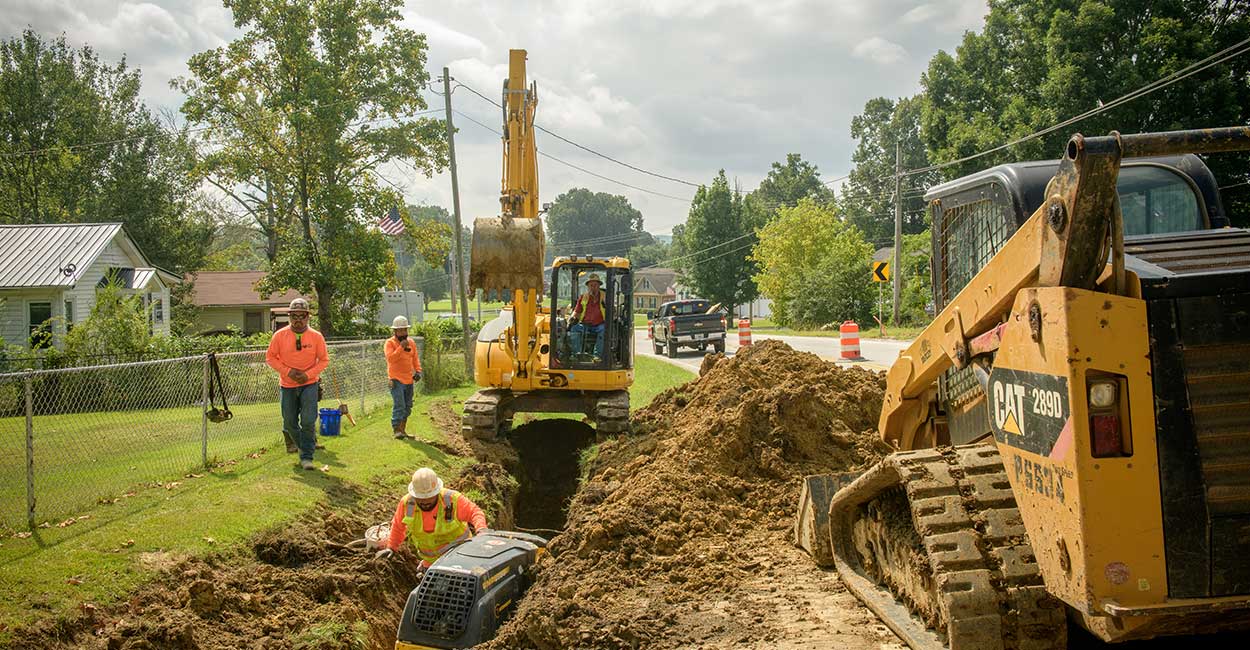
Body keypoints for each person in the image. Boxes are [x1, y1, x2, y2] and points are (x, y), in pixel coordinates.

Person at [376, 467, 489, 570]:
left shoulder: (451, 500)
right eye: (420, 498)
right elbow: (397, 526)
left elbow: (475, 512)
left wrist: (482, 530)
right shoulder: (407, 504)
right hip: (431, 563)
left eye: (429, 498)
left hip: (461, 558)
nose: (425, 502)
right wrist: (391, 547)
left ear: (437, 492)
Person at [265, 297, 329, 470]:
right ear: (289, 317)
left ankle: (306, 456)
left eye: (302, 316)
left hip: (310, 384)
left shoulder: (316, 336)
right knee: (289, 421)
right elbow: (270, 358)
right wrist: (289, 372)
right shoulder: (279, 336)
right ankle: (303, 445)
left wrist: (308, 375)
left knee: (308, 420)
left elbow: (324, 360)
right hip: (287, 385)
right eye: (294, 316)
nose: (298, 320)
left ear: (308, 317)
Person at [385, 315, 423, 440]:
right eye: (400, 330)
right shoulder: (390, 343)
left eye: (405, 330)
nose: (403, 332)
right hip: (395, 380)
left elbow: (415, 358)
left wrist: (418, 371)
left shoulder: (411, 343)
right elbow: (391, 359)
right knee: (399, 405)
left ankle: (402, 429)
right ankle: (396, 429)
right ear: (395, 331)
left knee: (407, 406)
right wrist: (401, 347)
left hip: (408, 380)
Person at [569, 273, 606, 360]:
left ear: (599, 286)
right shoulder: (583, 297)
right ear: (588, 286)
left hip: (599, 324)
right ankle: (576, 354)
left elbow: (612, 309)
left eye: (595, 285)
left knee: (604, 330)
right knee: (574, 329)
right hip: (585, 325)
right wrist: (571, 318)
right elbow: (577, 311)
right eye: (591, 285)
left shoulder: (605, 296)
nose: (593, 287)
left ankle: (597, 355)